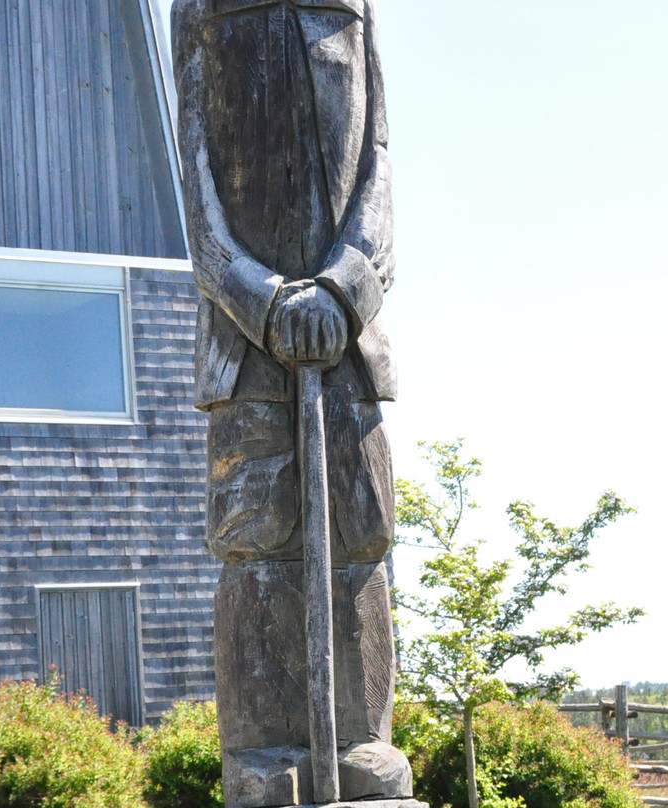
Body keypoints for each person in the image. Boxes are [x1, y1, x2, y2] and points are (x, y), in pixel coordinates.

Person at [173, 0, 412, 804]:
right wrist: (260, 298)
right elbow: (197, 185)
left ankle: (360, 734)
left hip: (349, 344)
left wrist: (345, 291)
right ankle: (261, 744)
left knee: (362, 523)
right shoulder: (202, 12)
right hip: (246, 342)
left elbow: (378, 167)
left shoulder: (354, 10)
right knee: (256, 535)